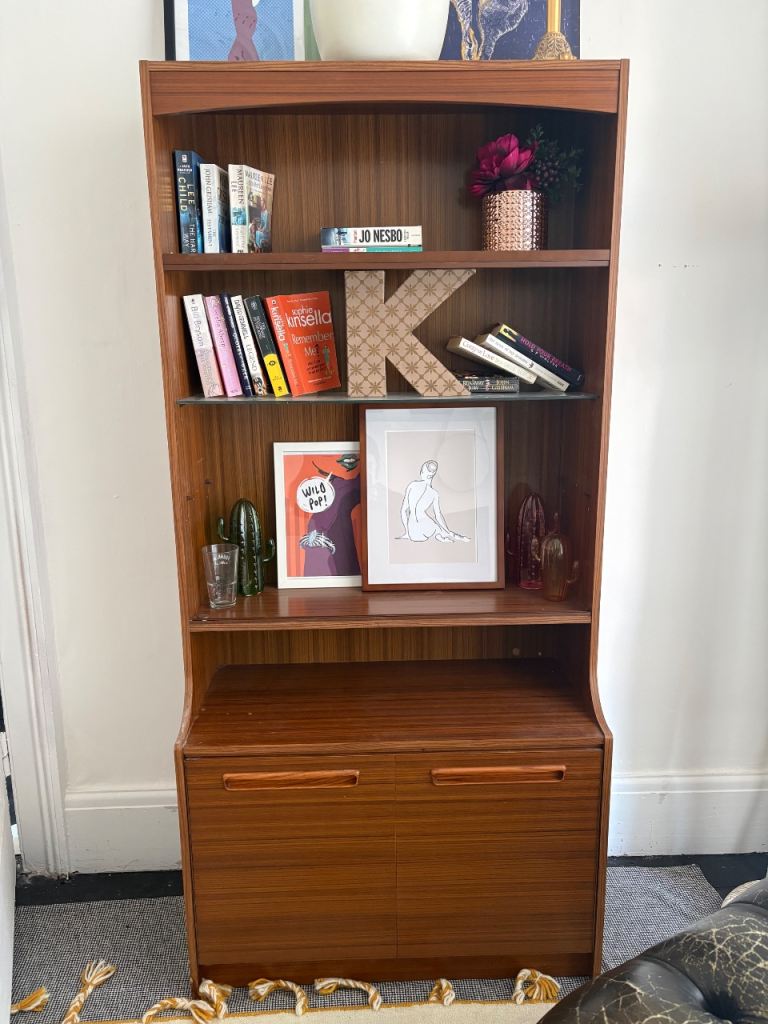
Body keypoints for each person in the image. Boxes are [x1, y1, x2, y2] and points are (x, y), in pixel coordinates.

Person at [398, 460, 469, 544]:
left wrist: (407, 532)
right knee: (438, 528)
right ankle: (443, 534)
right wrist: (447, 530)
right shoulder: (434, 494)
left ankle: (440, 535)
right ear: (432, 475)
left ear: (422, 472)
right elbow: (438, 516)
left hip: (413, 532)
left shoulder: (412, 485)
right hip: (426, 530)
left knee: (430, 524)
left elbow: (403, 510)